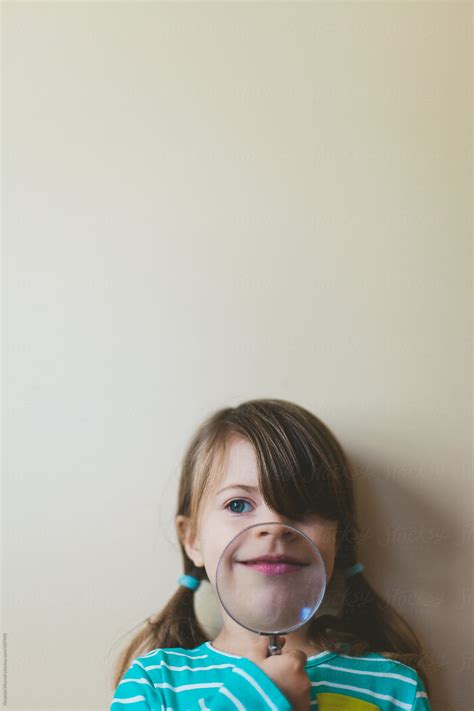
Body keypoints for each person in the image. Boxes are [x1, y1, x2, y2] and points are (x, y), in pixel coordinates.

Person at [109, 398, 432, 709]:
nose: (275, 526)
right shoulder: (153, 685)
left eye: (302, 507)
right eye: (238, 504)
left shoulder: (394, 687)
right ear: (192, 539)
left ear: (339, 539)